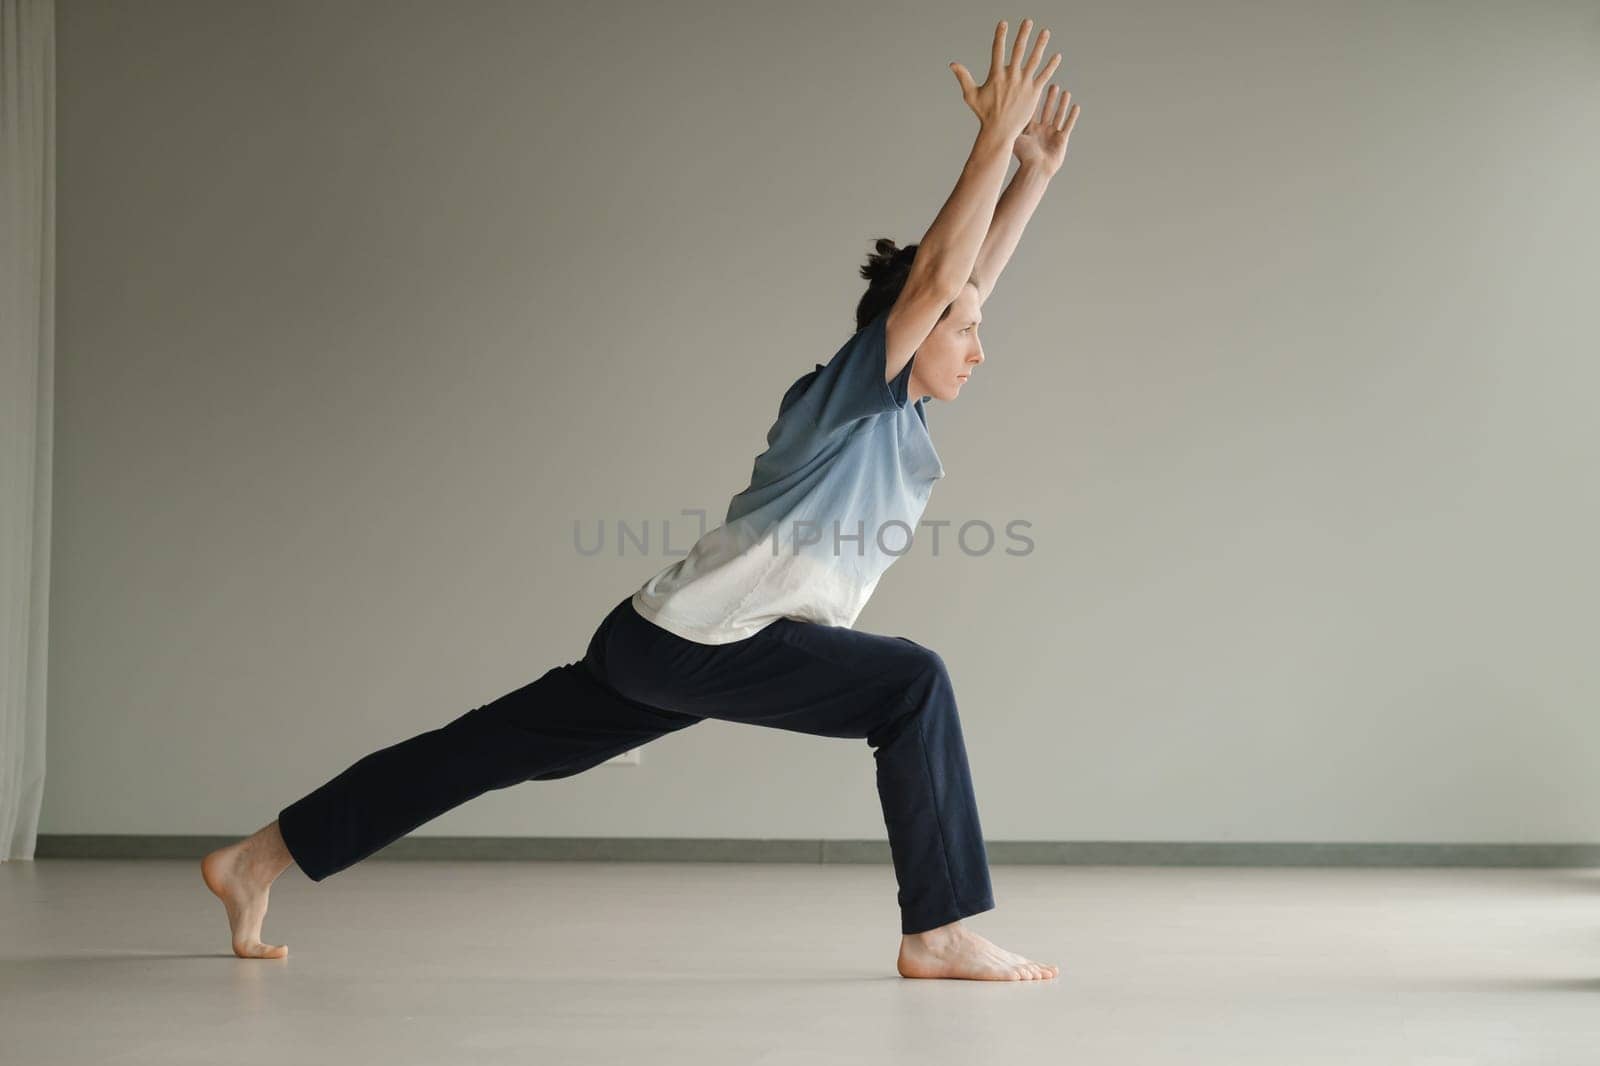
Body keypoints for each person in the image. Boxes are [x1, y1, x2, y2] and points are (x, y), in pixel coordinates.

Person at [202, 17, 1080, 981]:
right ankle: (938, 930)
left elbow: (967, 281)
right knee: (912, 685)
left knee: (480, 750)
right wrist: (991, 143)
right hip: (707, 644)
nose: (979, 345)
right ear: (909, 328)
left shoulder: (900, 419)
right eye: (962, 330)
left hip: (658, 641)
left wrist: (1032, 173)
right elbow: (945, 280)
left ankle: (256, 858)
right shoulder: (844, 400)